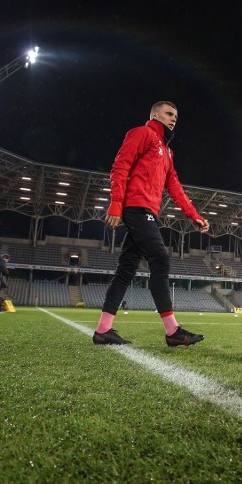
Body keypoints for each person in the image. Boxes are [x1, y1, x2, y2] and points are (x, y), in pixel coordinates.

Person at [94, 101, 210, 347]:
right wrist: (116, 204)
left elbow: (175, 187)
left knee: (125, 271)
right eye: (169, 114)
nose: (173, 119)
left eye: (176, 116)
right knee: (160, 258)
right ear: (154, 114)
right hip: (136, 208)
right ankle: (172, 331)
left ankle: (103, 330)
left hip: (148, 211)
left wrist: (194, 215)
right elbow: (120, 167)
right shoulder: (142, 133)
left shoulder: (168, 152)